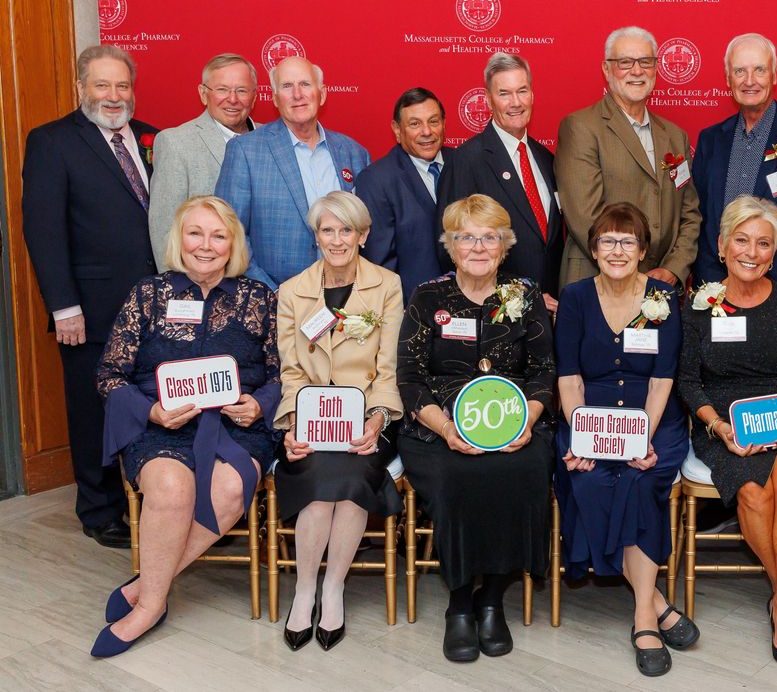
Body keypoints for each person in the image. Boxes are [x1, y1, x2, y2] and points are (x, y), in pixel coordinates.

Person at [91, 195, 280, 657]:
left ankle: (146, 589)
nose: (206, 245)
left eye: (219, 235)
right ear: (180, 239)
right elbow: (108, 374)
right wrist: (151, 412)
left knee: (231, 488)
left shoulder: (258, 298)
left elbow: (285, 373)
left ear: (233, 244)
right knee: (172, 490)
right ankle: (152, 604)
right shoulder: (148, 294)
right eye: (196, 233)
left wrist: (259, 404)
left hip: (237, 426)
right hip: (161, 425)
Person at [397, 194, 556, 663]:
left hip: (515, 423)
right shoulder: (428, 297)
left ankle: (493, 599)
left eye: (490, 237)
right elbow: (409, 378)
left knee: (523, 472)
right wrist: (446, 429)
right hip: (439, 426)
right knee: (456, 476)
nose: (479, 247)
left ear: (505, 244)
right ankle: (461, 602)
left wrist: (524, 423)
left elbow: (545, 371)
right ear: (450, 244)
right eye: (467, 237)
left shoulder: (524, 295)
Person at [21, 44, 159, 548]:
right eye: (102, 85)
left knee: (148, 403)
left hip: (153, 305)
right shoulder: (53, 142)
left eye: (122, 85)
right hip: (90, 309)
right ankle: (99, 509)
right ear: (82, 88)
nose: (113, 95)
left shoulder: (151, 138)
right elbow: (43, 230)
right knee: (92, 407)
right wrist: (64, 306)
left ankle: (146, 497)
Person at [678, 196, 777, 668]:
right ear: (721, 246)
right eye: (742, 240)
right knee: (755, 495)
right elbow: (688, 381)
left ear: (774, 251)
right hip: (724, 423)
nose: (752, 251)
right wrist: (718, 427)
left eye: (764, 243)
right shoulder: (702, 304)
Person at [555, 202, 699, 677]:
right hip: (588, 419)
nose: (617, 250)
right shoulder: (575, 298)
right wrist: (583, 438)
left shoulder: (662, 297)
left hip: (652, 422)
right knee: (592, 480)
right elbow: (569, 378)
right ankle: (655, 600)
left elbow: (663, 381)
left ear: (642, 250)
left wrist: (643, 440)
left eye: (628, 241)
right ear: (593, 249)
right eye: (607, 241)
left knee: (641, 482)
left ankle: (640, 614)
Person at [272, 191, 405, 652]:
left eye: (346, 229)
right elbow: (290, 372)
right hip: (310, 421)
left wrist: (377, 418)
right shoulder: (292, 292)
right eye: (327, 230)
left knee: (350, 479)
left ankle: (333, 590)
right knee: (315, 474)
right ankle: (304, 589)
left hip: (365, 420)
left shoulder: (386, 285)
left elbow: (387, 369)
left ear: (363, 235)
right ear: (316, 236)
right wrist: (291, 425)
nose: (337, 239)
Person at [557, 26, 701, 290]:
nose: (637, 71)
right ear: (606, 69)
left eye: (646, 62)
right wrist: (636, 271)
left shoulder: (674, 135)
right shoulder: (581, 127)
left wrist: (673, 268)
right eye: (625, 62)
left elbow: (689, 212)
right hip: (596, 284)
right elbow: (585, 217)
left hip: (660, 287)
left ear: (656, 68)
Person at [692, 33, 777, 302]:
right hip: (716, 294)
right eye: (739, 71)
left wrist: (757, 277)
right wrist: (717, 284)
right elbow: (700, 222)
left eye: (759, 70)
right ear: (728, 79)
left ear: (774, 75)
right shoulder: (710, 140)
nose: (749, 80)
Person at [215, 56, 371, 289]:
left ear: (322, 94)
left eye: (305, 84)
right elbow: (230, 232)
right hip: (273, 297)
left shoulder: (353, 152)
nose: (298, 94)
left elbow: (364, 228)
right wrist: (273, 294)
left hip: (346, 294)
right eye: (287, 86)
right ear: (276, 99)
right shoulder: (245, 151)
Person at [437, 53, 563, 306]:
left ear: (532, 95)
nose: (515, 102)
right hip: (496, 312)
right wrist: (520, 296)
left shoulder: (547, 160)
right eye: (504, 93)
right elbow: (451, 247)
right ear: (488, 100)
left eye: (522, 91)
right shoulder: (466, 160)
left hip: (550, 312)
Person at [148, 53, 260, 267]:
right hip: (203, 284)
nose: (233, 99)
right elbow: (164, 229)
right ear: (203, 93)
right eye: (222, 89)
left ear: (254, 96)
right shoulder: (176, 143)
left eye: (242, 90)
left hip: (267, 285)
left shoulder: (272, 141)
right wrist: (178, 291)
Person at [357, 87, 452, 300]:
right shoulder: (376, 180)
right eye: (415, 124)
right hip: (412, 311)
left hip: (468, 310)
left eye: (434, 121)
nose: (427, 131)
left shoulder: (464, 164)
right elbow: (378, 263)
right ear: (397, 130)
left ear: (444, 123)